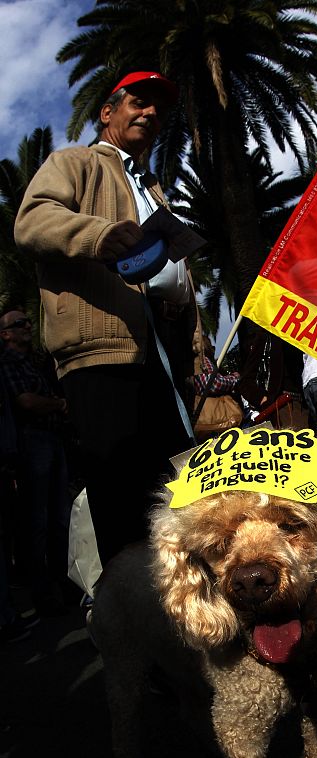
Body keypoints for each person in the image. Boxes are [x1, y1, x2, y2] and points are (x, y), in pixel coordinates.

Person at [14, 72, 199, 567]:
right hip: (103, 349)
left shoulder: (154, 187)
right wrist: (95, 235)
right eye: (139, 103)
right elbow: (32, 221)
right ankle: (131, 622)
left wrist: (192, 329)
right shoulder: (73, 163)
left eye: (158, 111)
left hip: (163, 346)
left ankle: (180, 610)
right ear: (107, 113)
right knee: (121, 493)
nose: (150, 115)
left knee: (176, 487)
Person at [0, 310, 72, 615]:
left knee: (60, 517)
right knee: (38, 520)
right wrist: (58, 404)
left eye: (28, 322)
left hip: (52, 439)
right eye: (19, 324)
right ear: (5, 334)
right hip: (31, 442)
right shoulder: (7, 363)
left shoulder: (36, 362)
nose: (28, 326)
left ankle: (65, 584)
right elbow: (26, 401)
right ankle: (42, 594)